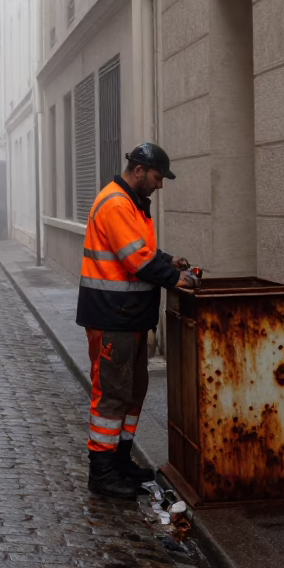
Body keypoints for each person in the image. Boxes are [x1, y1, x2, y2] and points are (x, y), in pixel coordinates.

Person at [76, 142, 195, 498]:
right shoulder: (115, 202)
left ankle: (121, 461)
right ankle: (101, 472)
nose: (160, 185)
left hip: (127, 316)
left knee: (132, 390)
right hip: (114, 315)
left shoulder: (130, 203)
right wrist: (175, 279)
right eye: (158, 177)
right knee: (112, 394)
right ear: (140, 170)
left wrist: (168, 260)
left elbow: (140, 249)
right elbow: (135, 260)